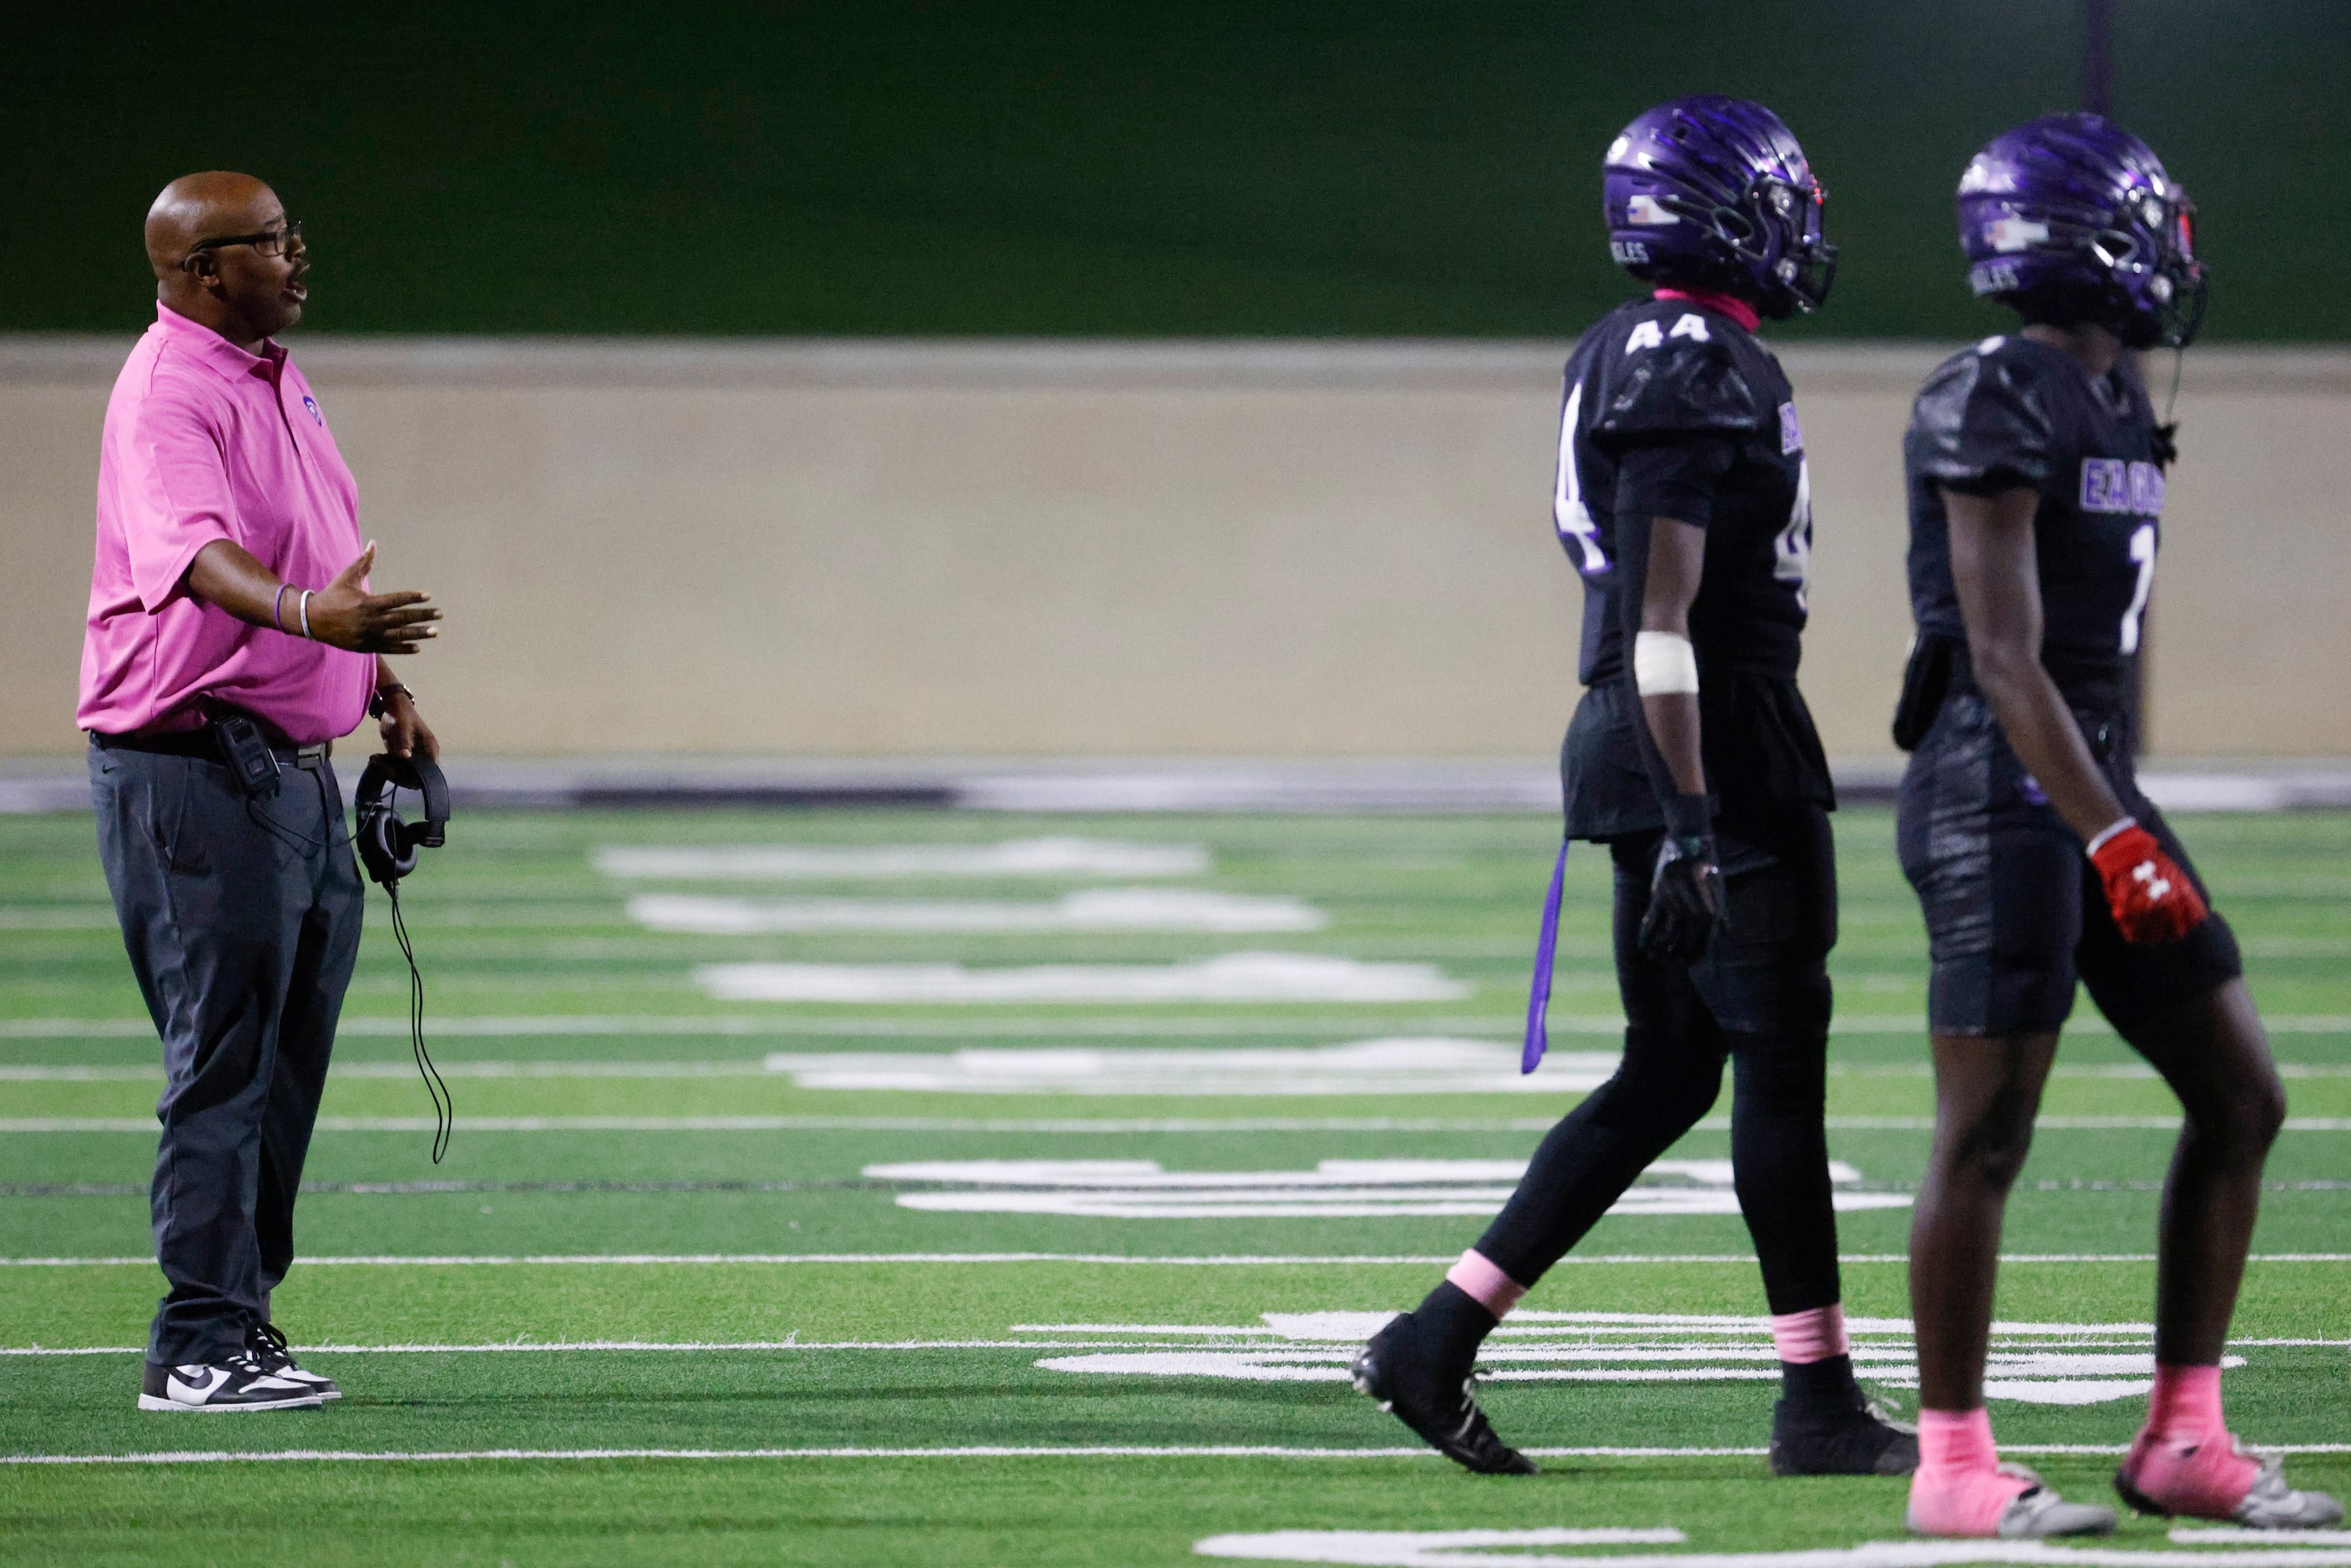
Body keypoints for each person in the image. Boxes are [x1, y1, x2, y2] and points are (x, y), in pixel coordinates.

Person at [1352, 97, 1913, 1479]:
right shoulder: (1690, 355)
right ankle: (1819, 1401)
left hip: (1659, 733)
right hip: (1703, 741)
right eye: (1780, 204)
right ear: (1719, 212)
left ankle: (1435, 1336)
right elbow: (1663, 614)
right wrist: (1691, 821)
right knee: (1779, 1063)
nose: (1803, 231)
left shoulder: (1630, 345)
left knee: (1669, 1069)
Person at [1893, 114, 2342, 1538]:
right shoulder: (1993, 394)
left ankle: (2179, 1438)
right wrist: (2115, 836)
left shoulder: (2114, 390)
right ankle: (1953, 1464)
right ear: (2088, 237)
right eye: (2153, 225)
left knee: (2243, 1094)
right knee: (1989, 1132)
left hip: (2088, 788)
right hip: (1999, 794)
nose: (2174, 255)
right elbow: (2004, 657)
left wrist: (2115, 816)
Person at [82, 171, 443, 1412]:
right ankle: (192, 1341)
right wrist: (305, 615)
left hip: (288, 770)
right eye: (271, 244)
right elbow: (199, 557)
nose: (298, 259)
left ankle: (242, 1318)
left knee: (285, 1066)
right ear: (197, 272)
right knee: (222, 1062)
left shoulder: (270, 370)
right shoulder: (168, 390)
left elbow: (306, 547)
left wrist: (368, 678)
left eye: (295, 233)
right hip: (193, 767)